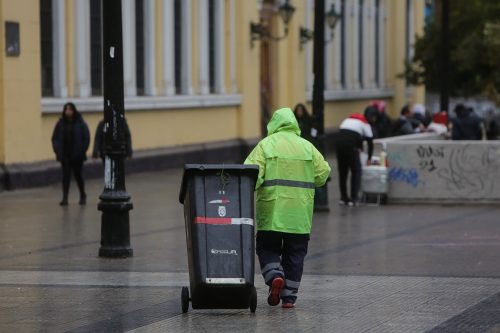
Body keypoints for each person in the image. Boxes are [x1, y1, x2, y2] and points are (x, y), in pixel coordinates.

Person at [244, 107, 331, 309]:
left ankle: (275, 275)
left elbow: (250, 175)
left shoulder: (266, 145)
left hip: (272, 211)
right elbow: (323, 173)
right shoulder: (307, 147)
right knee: (295, 254)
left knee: (267, 247)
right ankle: (289, 298)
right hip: (299, 215)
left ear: (273, 124)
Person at [51, 102, 90, 206]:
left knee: (78, 176)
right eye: (66, 109)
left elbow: (86, 138)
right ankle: (65, 198)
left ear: (74, 111)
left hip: (77, 156)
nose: (67, 111)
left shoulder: (80, 123)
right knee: (65, 177)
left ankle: (82, 195)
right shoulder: (60, 124)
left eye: (70, 109)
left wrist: (82, 151)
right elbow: (55, 138)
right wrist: (57, 151)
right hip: (65, 155)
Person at [335, 113, 373, 206]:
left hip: (339, 145)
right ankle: (354, 198)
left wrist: (359, 146)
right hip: (351, 147)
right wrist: (369, 158)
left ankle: (343, 198)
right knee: (356, 171)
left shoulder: (347, 120)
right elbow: (370, 142)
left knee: (343, 172)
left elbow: (351, 135)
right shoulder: (365, 124)